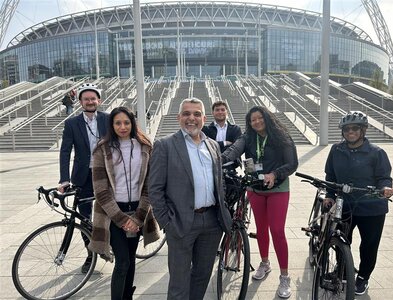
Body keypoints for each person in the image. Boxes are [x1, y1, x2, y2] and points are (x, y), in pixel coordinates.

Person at [149, 97, 232, 300]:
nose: (191, 118)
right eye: (186, 113)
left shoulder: (212, 145)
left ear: (204, 118)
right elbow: (155, 189)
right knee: (179, 281)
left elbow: (219, 181)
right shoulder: (165, 145)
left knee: (202, 276)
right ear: (179, 117)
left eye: (196, 114)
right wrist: (167, 223)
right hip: (181, 222)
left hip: (212, 222)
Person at [222, 105, 298, 299]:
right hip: (255, 188)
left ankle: (284, 276)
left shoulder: (281, 135)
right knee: (261, 229)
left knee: (277, 230)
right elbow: (234, 149)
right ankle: (265, 263)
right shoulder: (247, 137)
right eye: (252, 120)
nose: (256, 122)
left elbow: (292, 163)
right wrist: (220, 160)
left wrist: (275, 174)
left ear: (267, 118)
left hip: (277, 189)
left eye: (259, 118)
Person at [89, 106, 160, 300]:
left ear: (132, 123)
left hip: (137, 210)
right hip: (112, 212)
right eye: (118, 123)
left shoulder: (145, 147)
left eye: (126, 122)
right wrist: (121, 219)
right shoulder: (102, 149)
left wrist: (137, 218)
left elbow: (149, 185)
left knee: (129, 259)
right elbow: (101, 190)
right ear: (111, 125)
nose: (122, 127)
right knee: (122, 262)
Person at [323, 111, 393, 296]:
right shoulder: (336, 150)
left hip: (371, 207)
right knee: (339, 239)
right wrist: (329, 194)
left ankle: (363, 277)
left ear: (363, 130)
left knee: (369, 245)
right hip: (345, 204)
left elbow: (384, 177)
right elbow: (330, 176)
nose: (350, 132)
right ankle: (342, 269)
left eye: (355, 128)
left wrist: (385, 188)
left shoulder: (377, 153)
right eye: (347, 129)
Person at [58, 83, 109, 273]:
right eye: (86, 99)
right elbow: (65, 152)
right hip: (83, 176)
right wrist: (64, 179)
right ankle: (91, 255)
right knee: (84, 217)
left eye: (93, 98)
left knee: (112, 211)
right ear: (80, 102)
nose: (90, 101)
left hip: (106, 174)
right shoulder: (71, 123)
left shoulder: (108, 119)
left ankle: (114, 247)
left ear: (99, 101)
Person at [202, 100, 242, 170]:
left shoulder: (236, 129)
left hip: (231, 166)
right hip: (211, 167)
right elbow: (206, 147)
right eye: (217, 110)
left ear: (227, 112)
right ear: (213, 113)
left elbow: (237, 148)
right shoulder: (206, 130)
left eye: (223, 110)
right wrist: (224, 143)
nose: (220, 112)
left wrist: (215, 145)